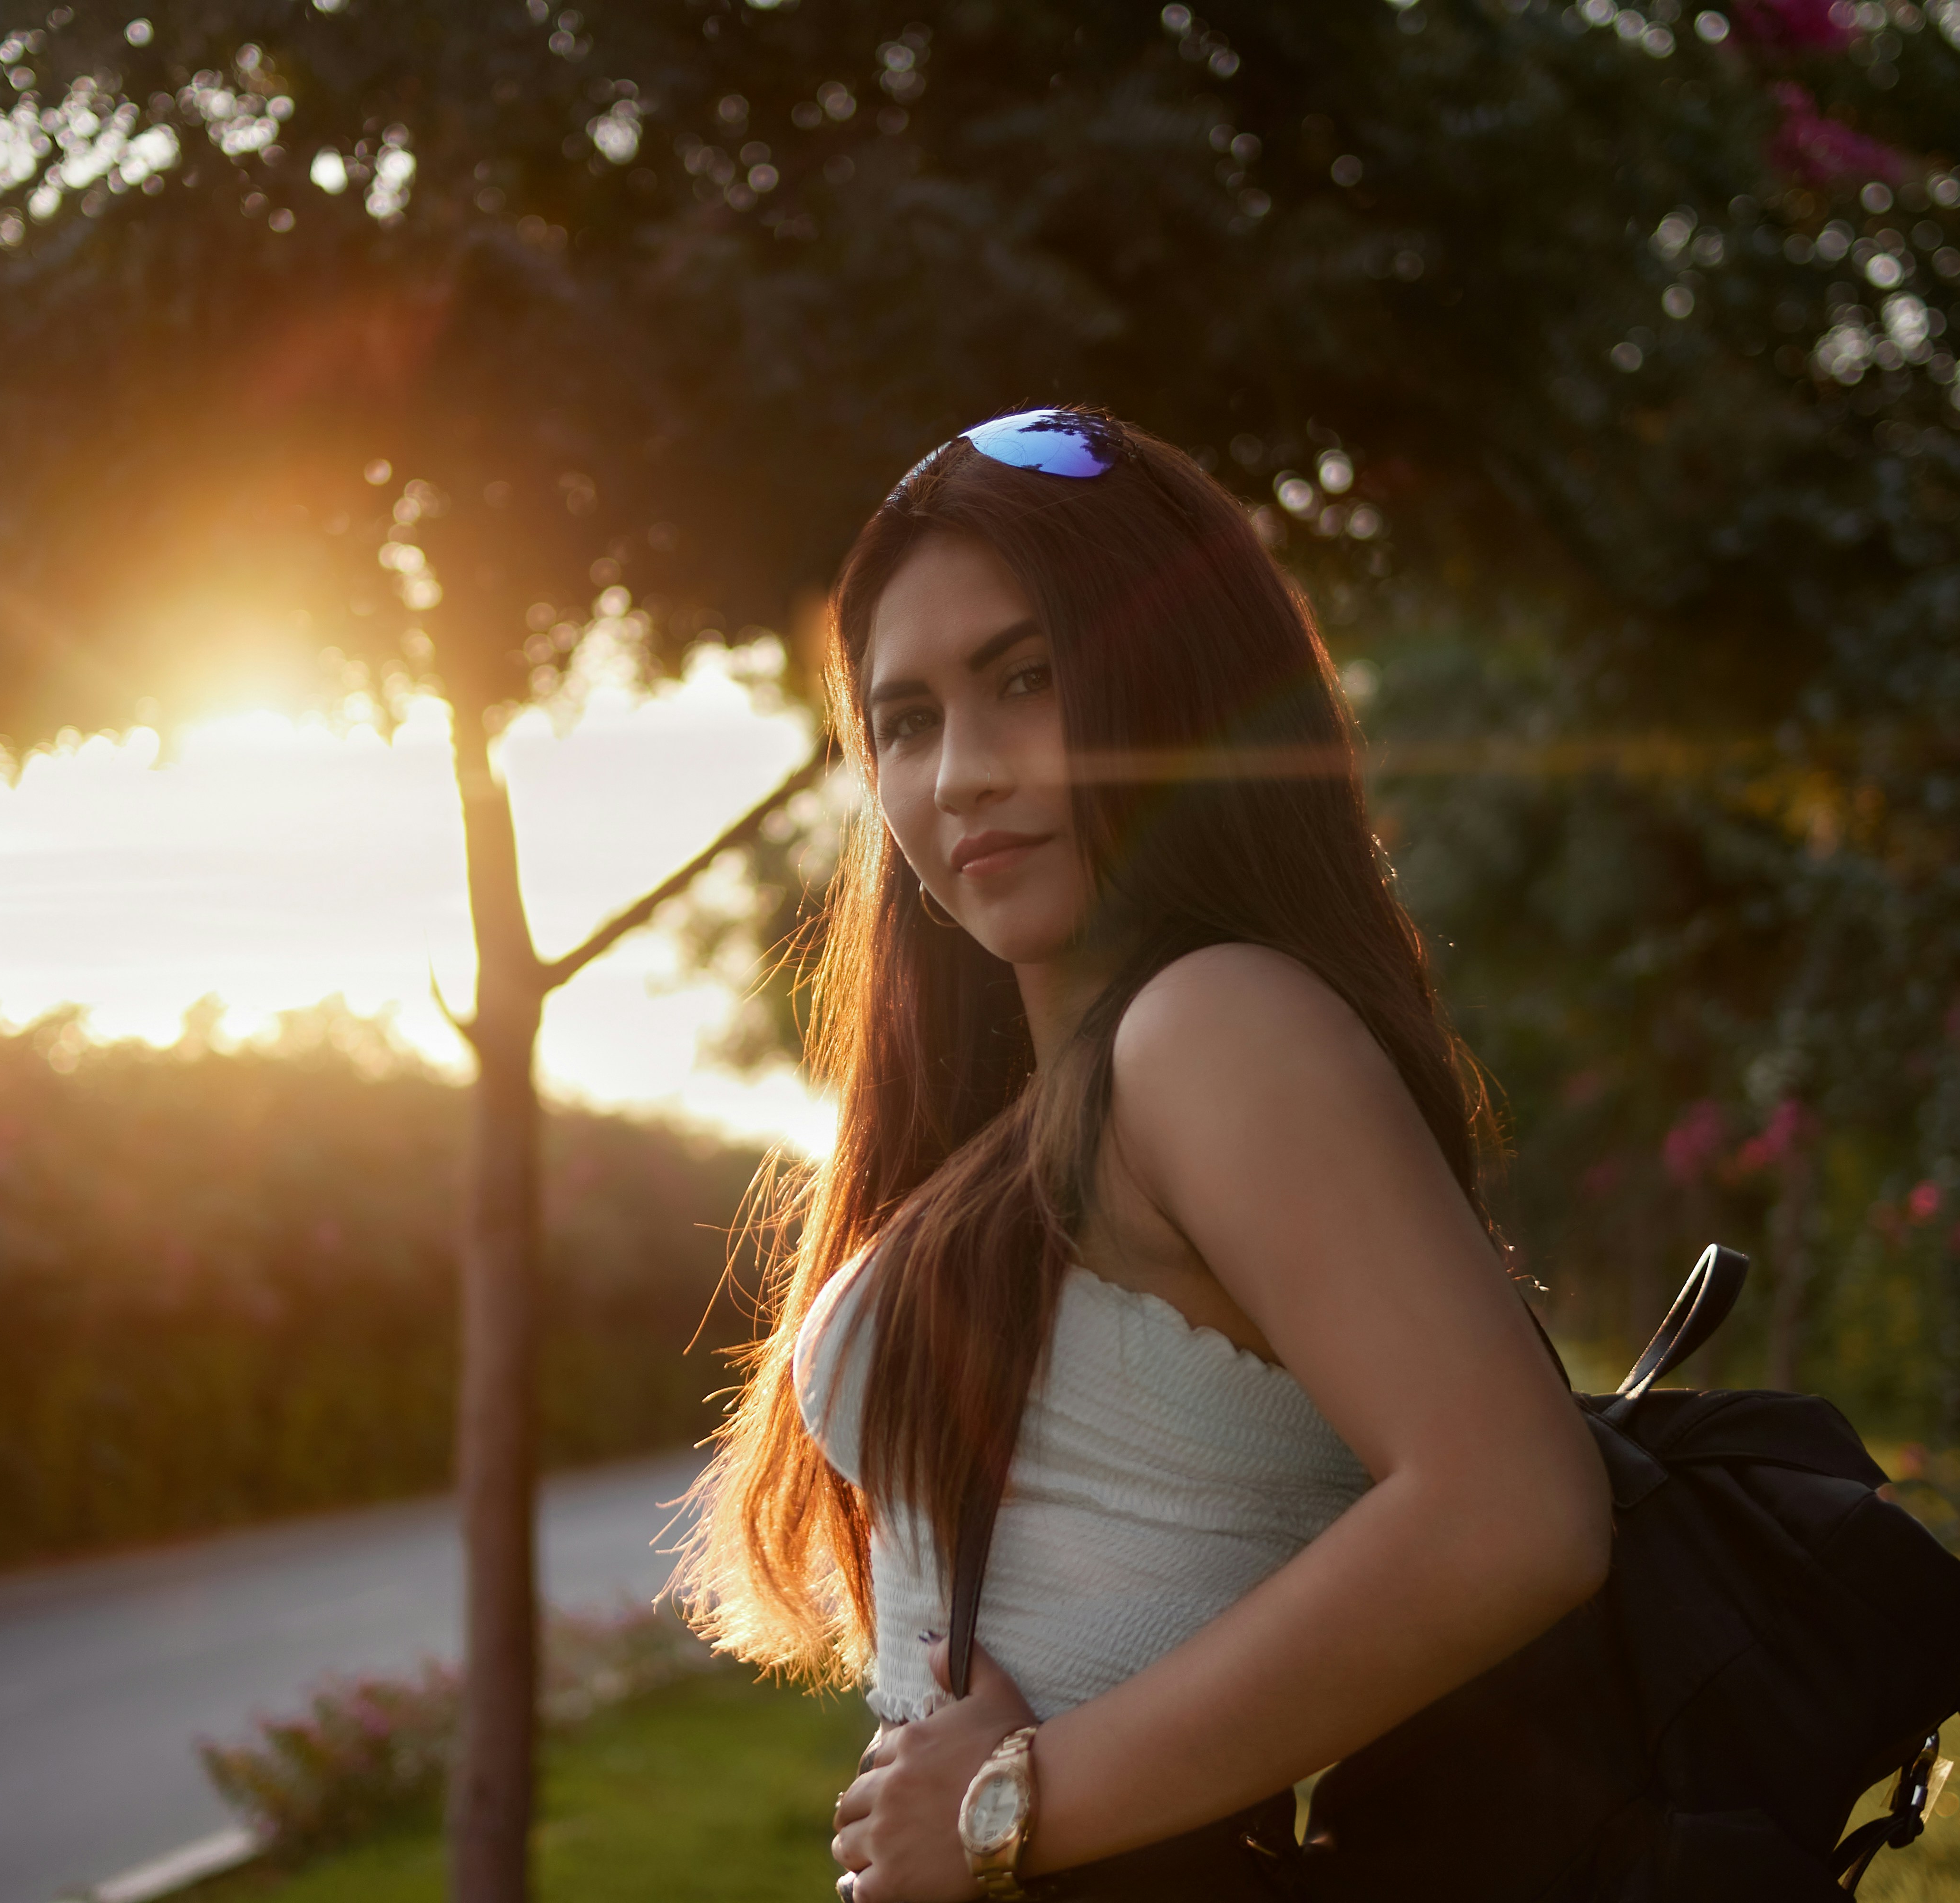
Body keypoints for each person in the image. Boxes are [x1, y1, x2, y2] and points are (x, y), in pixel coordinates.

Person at [674, 410, 1612, 1901]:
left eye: (1027, 681)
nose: (961, 774)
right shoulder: (1053, 1093)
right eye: (905, 722)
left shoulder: (1209, 1028)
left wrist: (1010, 1807)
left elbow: (1515, 1514)